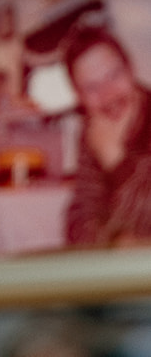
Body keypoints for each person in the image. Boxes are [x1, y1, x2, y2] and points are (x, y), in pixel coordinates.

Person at [64, 25, 151, 247]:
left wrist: (114, 161)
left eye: (114, 75)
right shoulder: (94, 129)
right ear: (79, 96)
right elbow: (78, 221)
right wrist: (114, 241)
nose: (108, 94)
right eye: (92, 87)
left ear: (131, 69)